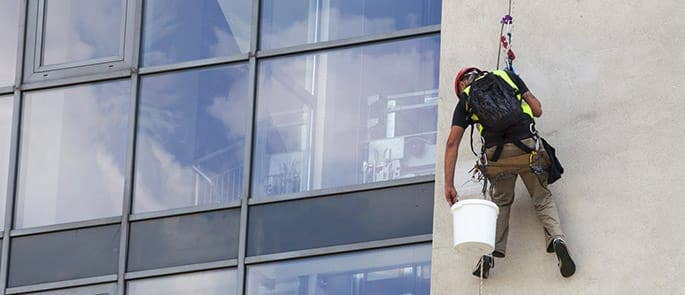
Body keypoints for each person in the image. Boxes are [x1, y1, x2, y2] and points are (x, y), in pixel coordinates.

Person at [444, 67, 575, 278]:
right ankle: (557, 238)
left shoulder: (466, 99)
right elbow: (537, 109)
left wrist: (449, 184)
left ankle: (488, 254)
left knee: (501, 203)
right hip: (527, 148)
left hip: (497, 157)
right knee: (542, 198)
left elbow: (452, 142)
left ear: (461, 84)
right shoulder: (507, 77)